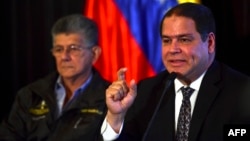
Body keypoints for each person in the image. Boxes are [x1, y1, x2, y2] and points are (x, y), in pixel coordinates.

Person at [101, 2, 250, 141]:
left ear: (210, 43)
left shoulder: (242, 92)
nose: (173, 49)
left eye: (184, 40)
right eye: (166, 40)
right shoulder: (146, 91)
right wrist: (116, 117)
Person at [0, 14, 110, 141]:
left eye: (73, 49)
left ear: (94, 54)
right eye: (58, 49)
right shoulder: (31, 95)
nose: (64, 57)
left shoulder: (110, 100)